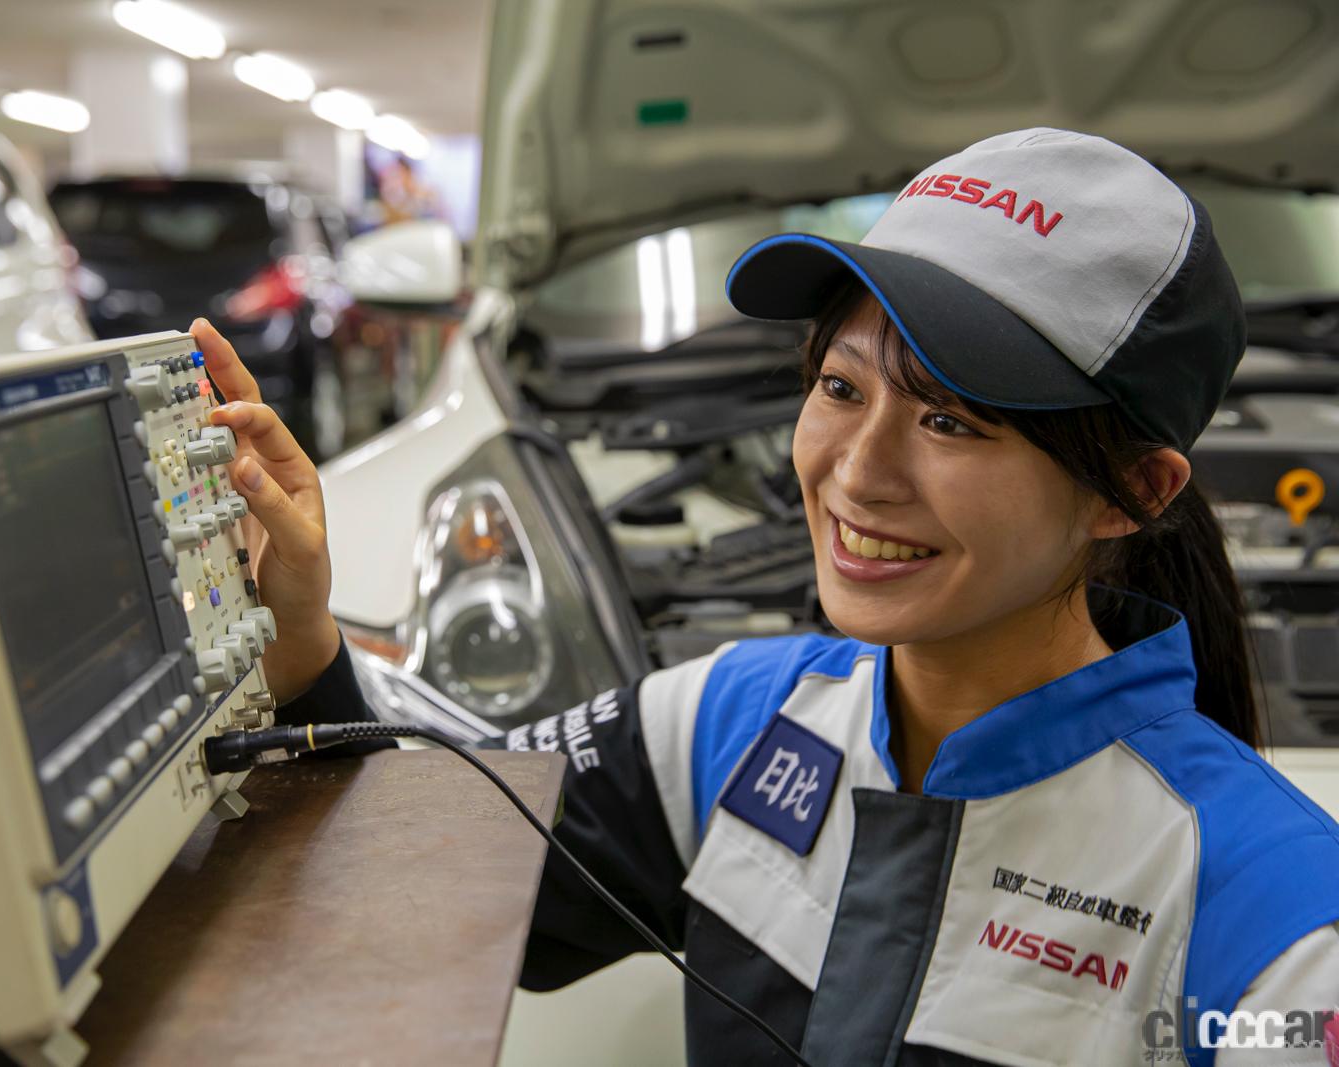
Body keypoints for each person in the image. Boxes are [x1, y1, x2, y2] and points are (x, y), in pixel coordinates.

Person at [189, 129, 1339, 1066]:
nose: (858, 469)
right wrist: (300, 636)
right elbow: (436, 874)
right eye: (840, 385)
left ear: (1130, 491)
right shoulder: (728, 722)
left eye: (952, 419)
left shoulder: (1277, 922)